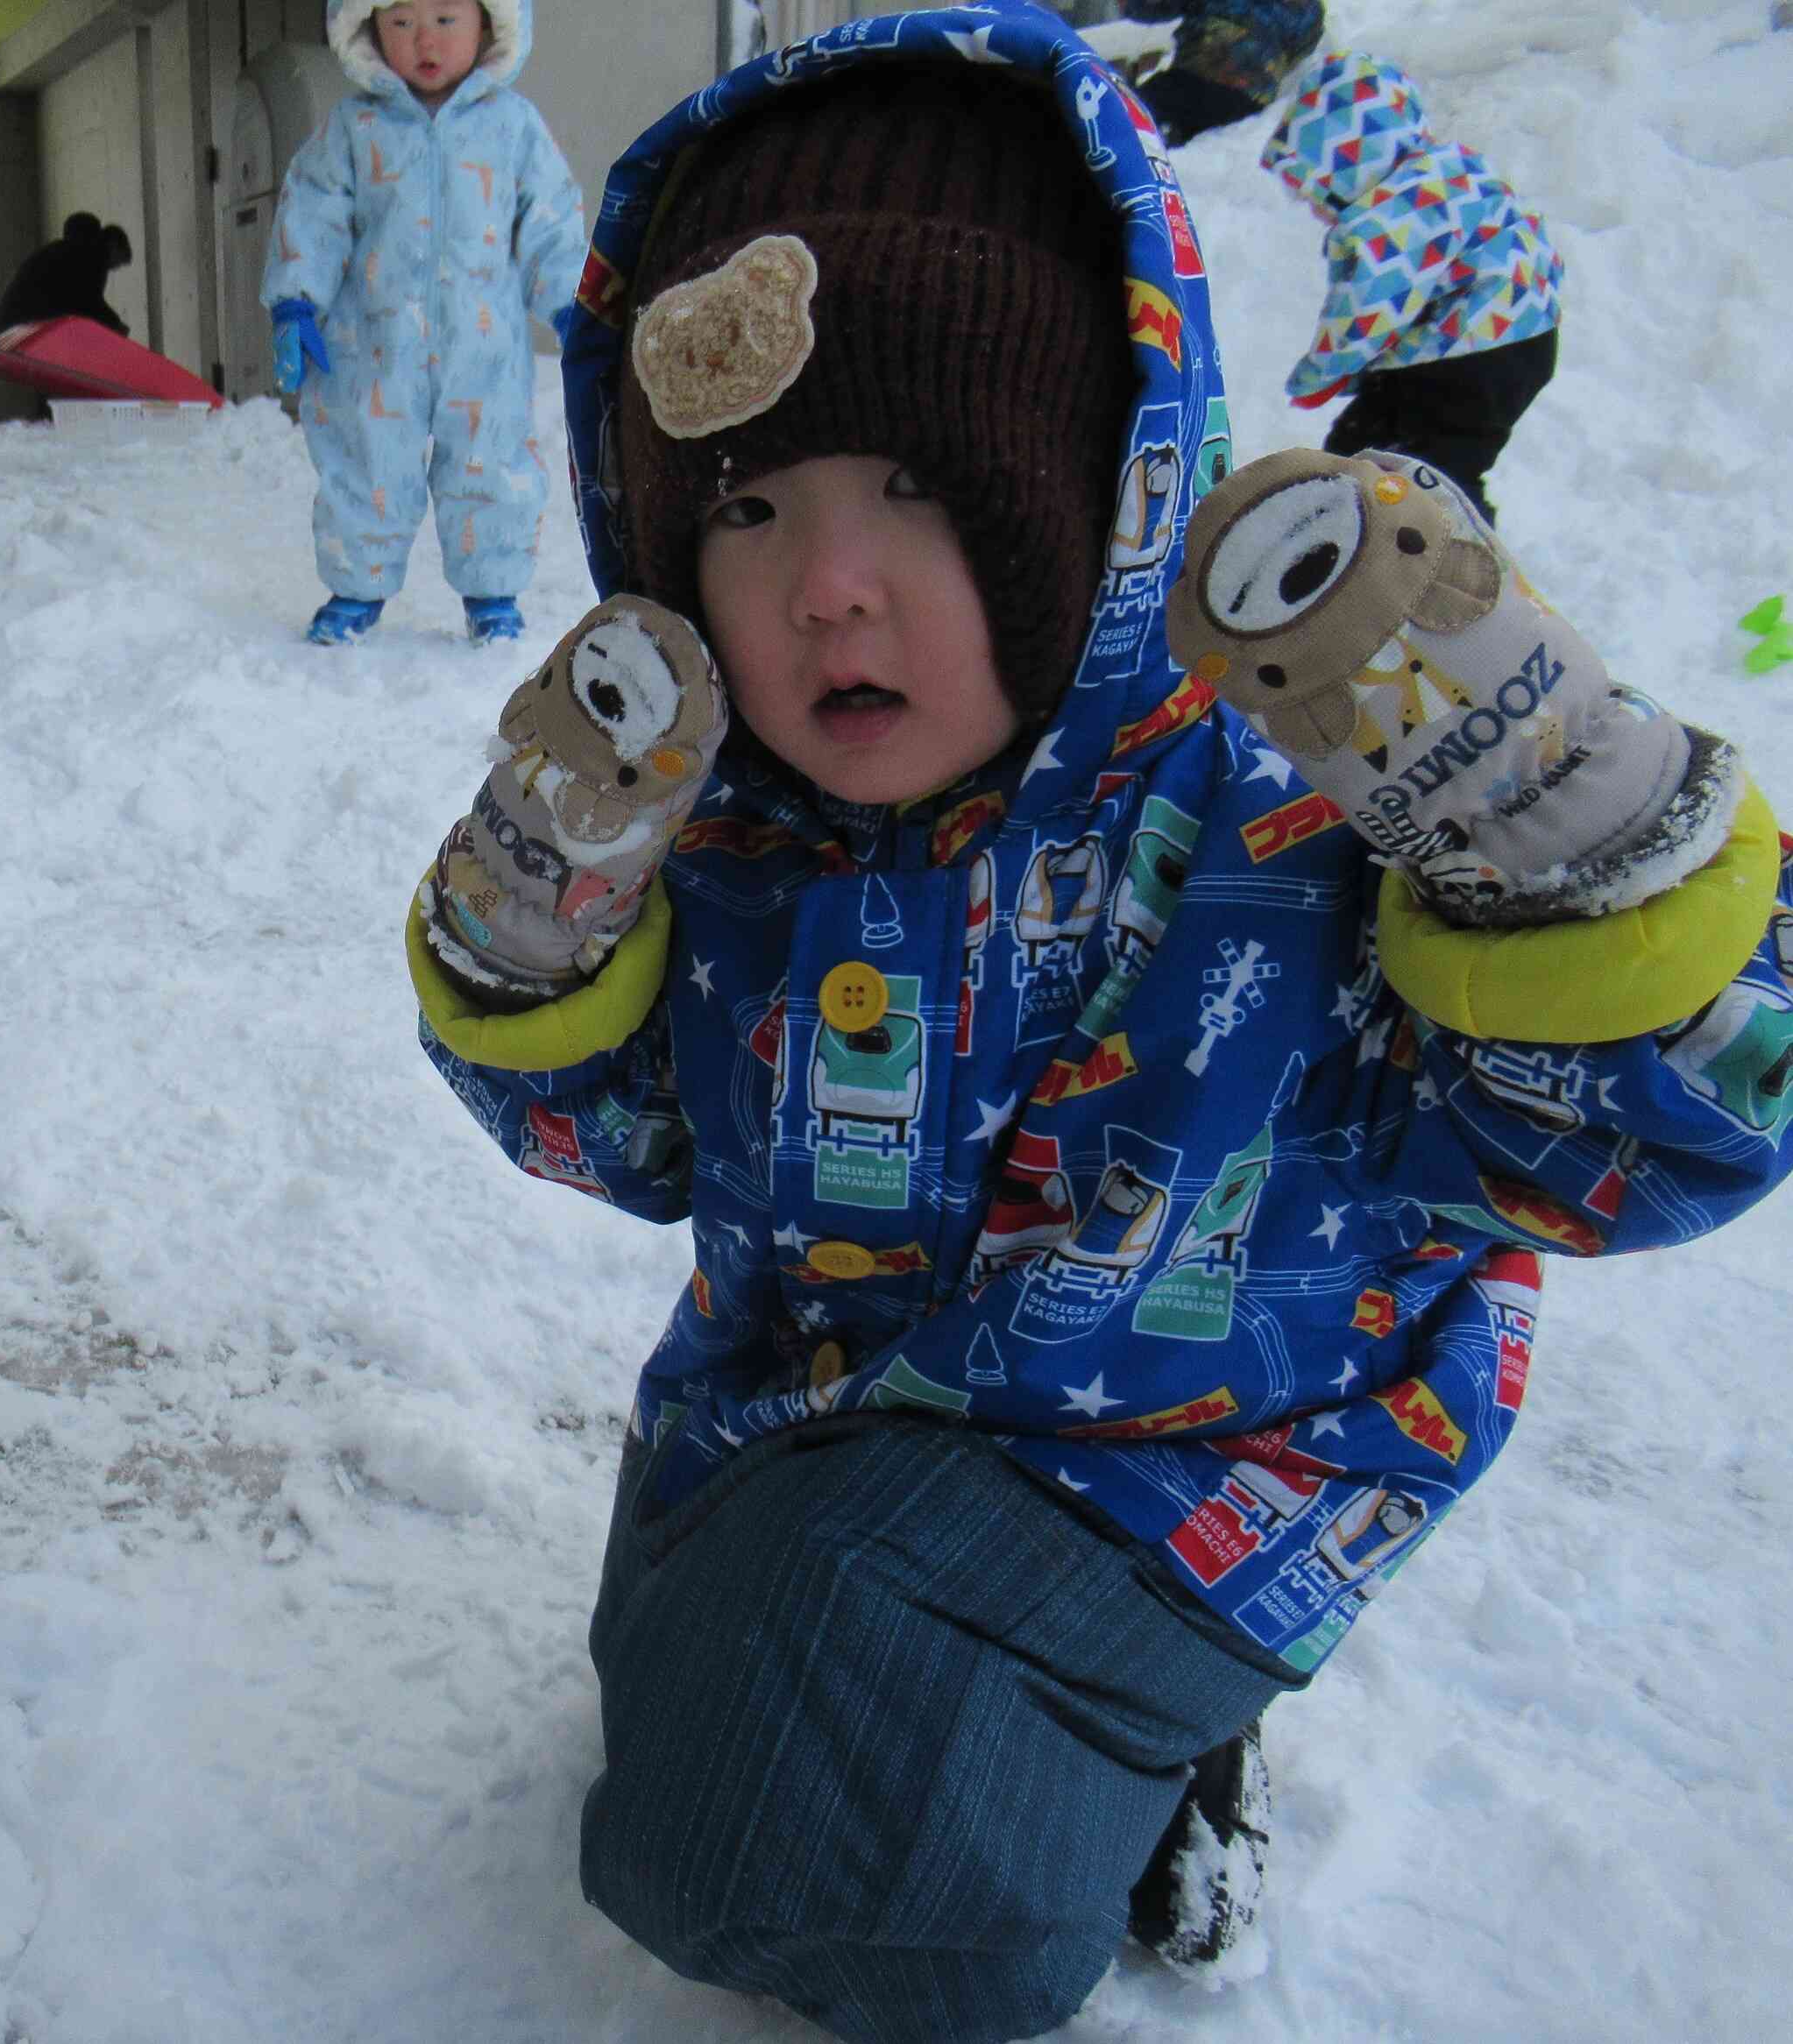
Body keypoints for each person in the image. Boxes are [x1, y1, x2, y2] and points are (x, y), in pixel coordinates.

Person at [402, 7, 1793, 2039]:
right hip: (817, 1416)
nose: (828, 589)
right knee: (691, 1690)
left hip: (1203, 1453)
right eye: (748, 509)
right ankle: (985, 1724)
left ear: (1099, 484)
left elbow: (1623, 1141)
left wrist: (1566, 857)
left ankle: (1143, 1733)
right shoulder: (741, 842)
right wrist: (539, 940)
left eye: (909, 485)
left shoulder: (1283, 811)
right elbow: (634, 1141)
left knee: (769, 1843)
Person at [261, 2, 585, 647]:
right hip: (373, 345)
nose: (424, 41)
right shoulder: (354, 128)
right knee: (364, 462)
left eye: (445, 19)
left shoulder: (512, 127)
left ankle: (492, 591)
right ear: (369, 30)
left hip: (482, 345)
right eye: (401, 22)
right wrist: (296, 300)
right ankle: (356, 588)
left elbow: (551, 218)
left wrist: (573, 304)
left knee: (490, 461)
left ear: (489, 25)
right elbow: (314, 212)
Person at [1265, 50, 1565, 523]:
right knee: (1370, 445)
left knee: (1430, 468)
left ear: (1350, 164)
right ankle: (1360, 525)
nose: (1313, 206)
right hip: (1516, 336)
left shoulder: (1386, 217)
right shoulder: (1443, 172)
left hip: (1477, 353)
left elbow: (1366, 311)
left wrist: (1321, 372)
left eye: (1316, 188)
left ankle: (1459, 561)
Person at [1119, 1, 1323, 145]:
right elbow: (1302, 51)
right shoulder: (1310, 7)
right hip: (1251, 104)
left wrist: (1128, 6)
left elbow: (1151, 8)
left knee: (1120, 114)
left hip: (1191, 84)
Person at [0, 211, 133, 340]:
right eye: (118, 262)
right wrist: (115, 324)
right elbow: (86, 300)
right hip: (24, 322)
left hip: (8, 322)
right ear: (113, 245)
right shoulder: (91, 257)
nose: (114, 268)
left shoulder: (60, 250)